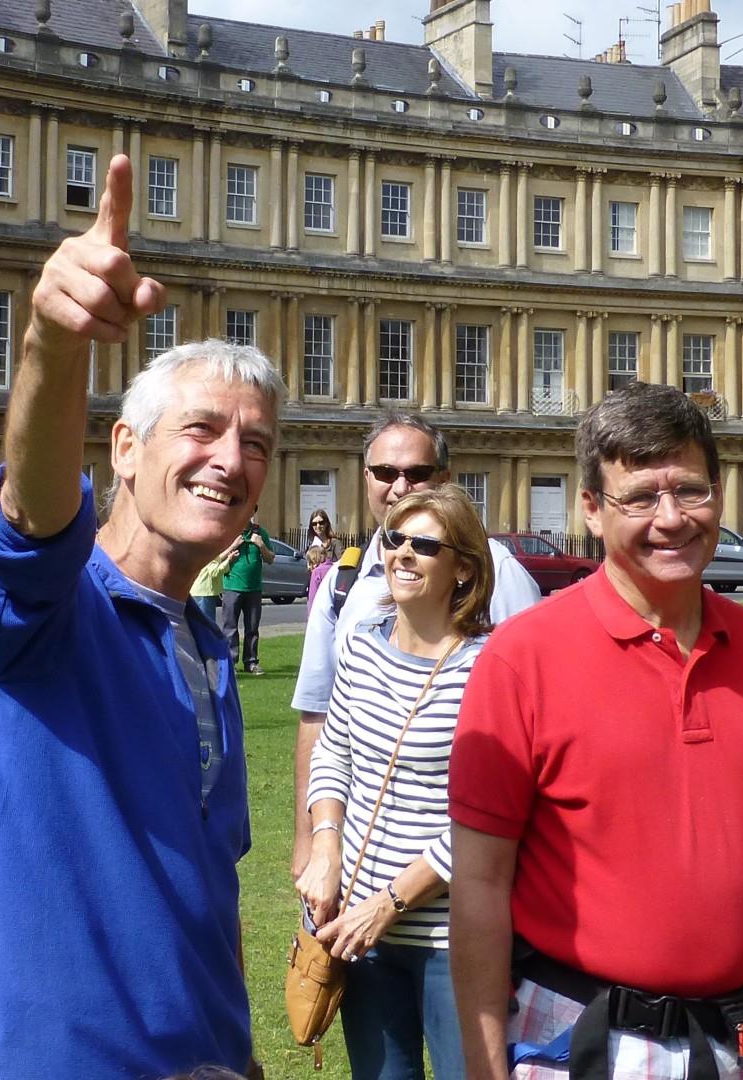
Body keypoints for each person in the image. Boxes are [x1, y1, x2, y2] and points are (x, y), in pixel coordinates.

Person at [0, 155, 277, 1079]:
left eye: (256, 443)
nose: (231, 460)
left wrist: (239, 1051)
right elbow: (32, 516)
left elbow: (209, 888)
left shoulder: (204, 648)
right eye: (202, 429)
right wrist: (55, 343)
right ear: (124, 450)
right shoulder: (44, 612)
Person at [448, 383, 743, 1080]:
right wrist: (484, 1066)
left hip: (733, 1037)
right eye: (641, 496)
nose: (672, 518)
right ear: (591, 507)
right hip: (577, 1035)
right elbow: (478, 884)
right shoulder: (523, 658)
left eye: (691, 490)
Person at [298, 484, 495, 1079]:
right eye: (395, 539)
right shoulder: (360, 646)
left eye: (425, 545)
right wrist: (326, 844)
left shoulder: (489, 669)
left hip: (448, 934)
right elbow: (334, 754)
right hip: (359, 931)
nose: (403, 554)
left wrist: (392, 902)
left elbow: (487, 817)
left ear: (463, 568)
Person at [290, 412, 540, 876]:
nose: (400, 487)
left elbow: (530, 731)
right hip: (354, 871)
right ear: (366, 478)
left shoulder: (499, 573)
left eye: (417, 474)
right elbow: (318, 717)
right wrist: (309, 841)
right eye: (385, 473)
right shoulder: (343, 580)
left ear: (445, 478)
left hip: (457, 880)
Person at [221, 508, 274, 675]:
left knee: (252, 627)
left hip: (254, 589)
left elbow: (270, 558)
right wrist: (233, 546)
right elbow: (217, 557)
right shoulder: (229, 531)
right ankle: (231, 662)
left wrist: (261, 545)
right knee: (230, 627)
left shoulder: (260, 533)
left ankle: (251, 662)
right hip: (231, 587)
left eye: (250, 509)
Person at [191, 545, 233, 628]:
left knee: (198, 623)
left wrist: (232, 549)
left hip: (197, 591)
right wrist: (228, 560)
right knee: (207, 624)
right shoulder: (209, 552)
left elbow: (217, 560)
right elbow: (214, 572)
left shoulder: (200, 550)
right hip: (205, 593)